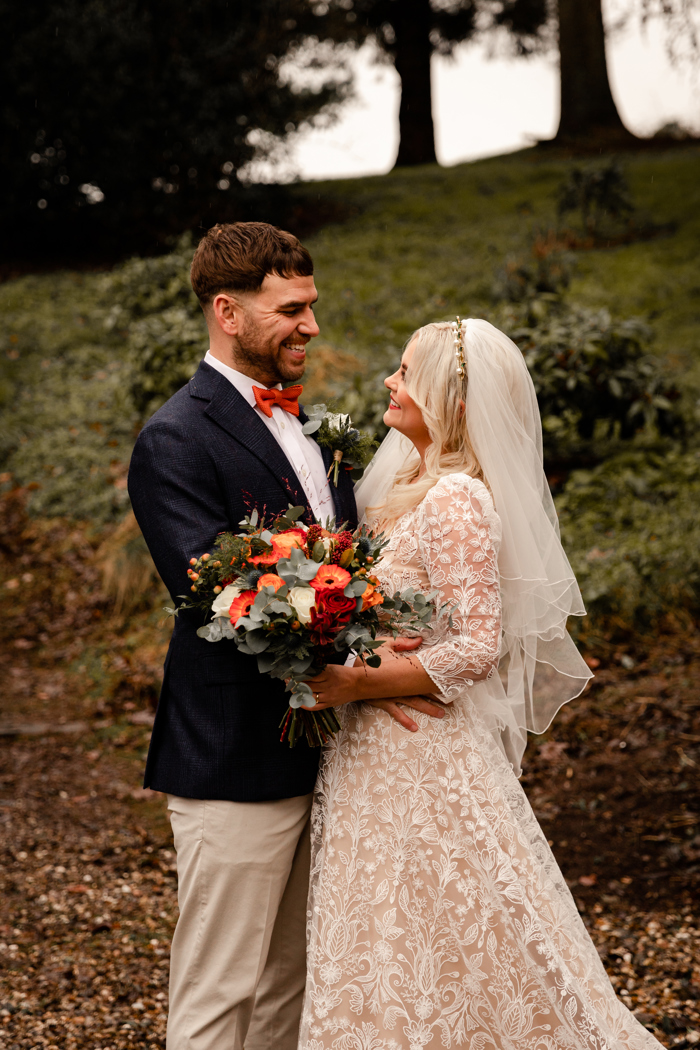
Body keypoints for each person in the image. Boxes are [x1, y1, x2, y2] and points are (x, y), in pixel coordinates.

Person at [298, 319, 664, 1049]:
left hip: (422, 755)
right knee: (384, 933)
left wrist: (354, 684)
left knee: (447, 934)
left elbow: (476, 646)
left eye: (404, 372)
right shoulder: (406, 486)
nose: (390, 383)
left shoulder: (457, 499)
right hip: (375, 753)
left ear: (448, 395)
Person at [128, 222, 442, 1050]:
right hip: (232, 754)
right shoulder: (173, 438)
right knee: (219, 990)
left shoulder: (313, 430)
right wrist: (361, 661)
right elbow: (216, 596)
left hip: (331, 754)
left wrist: (374, 659)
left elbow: (348, 565)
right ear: (228, 312)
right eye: (291, 309)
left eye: (312, 306)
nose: (310, 326)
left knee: (293, 990)